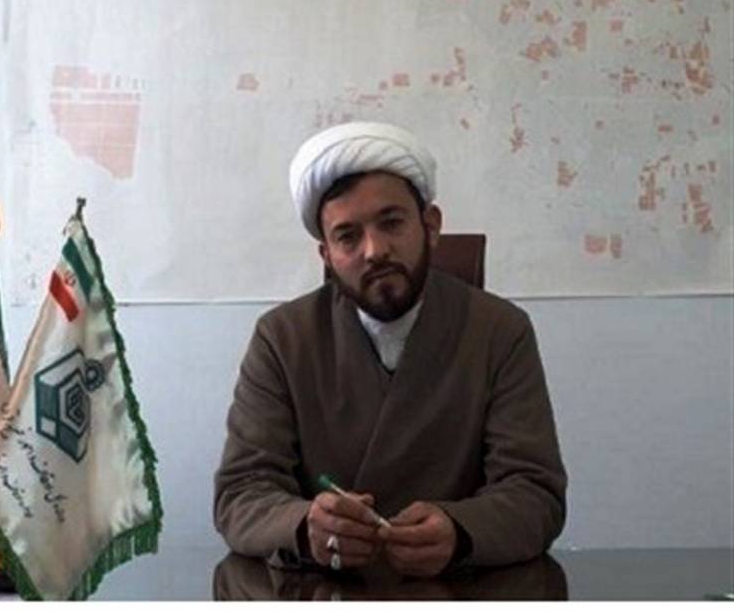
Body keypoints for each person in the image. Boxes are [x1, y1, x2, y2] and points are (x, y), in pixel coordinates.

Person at [213, 121, 567, 578]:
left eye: (392, 223)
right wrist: (305, 526)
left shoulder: (500, 331)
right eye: (347, 236)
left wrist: (460, 531)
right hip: (322, 591)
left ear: (430, 226)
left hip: (458, 592)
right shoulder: (282, 338)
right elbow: (241, 493)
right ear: (327, 256)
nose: (374, 250)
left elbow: (535, 494)